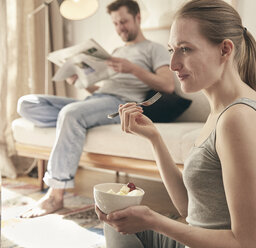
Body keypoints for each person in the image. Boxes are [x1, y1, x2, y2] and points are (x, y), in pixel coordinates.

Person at [95, 0, 256, 247]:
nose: (173, 65)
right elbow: (189, 208)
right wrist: (154, 138)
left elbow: (250, 244)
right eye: (172, 49)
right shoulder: (223, 110)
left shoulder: (238, 119)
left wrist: (154, 220)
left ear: (225, 50)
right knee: (117, 222)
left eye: (185, 49)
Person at [17, 0, 175, 218]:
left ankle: (55, 196)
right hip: (98, 99)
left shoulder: (154, 49)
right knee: (27, 104)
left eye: (124, 21)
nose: (120, 27)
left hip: (120, 102)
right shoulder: (117, 50)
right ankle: (74, 124)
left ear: (138, 17)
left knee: (70, 114)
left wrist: (133, 69)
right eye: (116, 23)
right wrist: (80, 81)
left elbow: (168, 85)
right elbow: (99, 90)